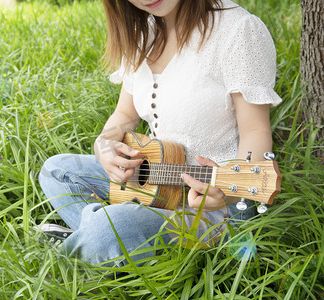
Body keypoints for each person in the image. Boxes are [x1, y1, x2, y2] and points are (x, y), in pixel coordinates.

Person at [38, 0, 282, 266]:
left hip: (211, 204)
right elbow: (125, 115)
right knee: (55, 171)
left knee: (109, 232)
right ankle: (109, 235)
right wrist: (105, 143)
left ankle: (97, 236)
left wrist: (229, 193)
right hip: (154, 179)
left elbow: (255, 130)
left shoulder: (238, 30)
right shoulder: (145, 32)